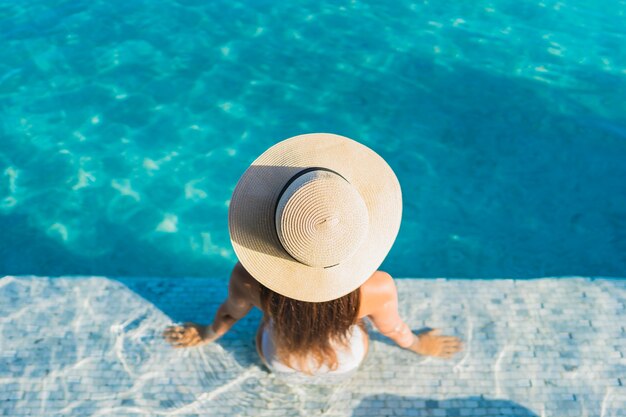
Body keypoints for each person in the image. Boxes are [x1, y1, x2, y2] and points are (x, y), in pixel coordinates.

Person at [164, 133, 463, 382]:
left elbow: (229, 314)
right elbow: (394, 329)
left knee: (276, 320)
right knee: (351, 322)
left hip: (279, 360)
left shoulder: (247, 279)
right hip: (347, 360)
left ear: (271, 223)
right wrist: (422, 345)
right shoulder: (377, 288)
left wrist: (205, 334)